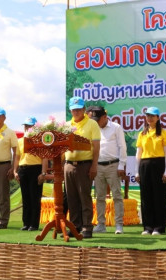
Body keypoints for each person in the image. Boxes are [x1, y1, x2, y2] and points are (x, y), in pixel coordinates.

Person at [64, 96, 101, 238]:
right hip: (68, 165)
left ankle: (87, 227)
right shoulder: (66, 125)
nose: (76, 112)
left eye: (79, 109)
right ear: (70, 111)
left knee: (84, 197)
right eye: (74, 110)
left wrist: (94, 166)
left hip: (85, 165)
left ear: (84, 109)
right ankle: (74, 227)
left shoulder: (92, 124)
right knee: (71, 198)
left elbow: (96, 147)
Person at [90, 106, 127, 234]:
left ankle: (119, 225)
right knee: (99, 197)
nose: (96, 122)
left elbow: (122, 146)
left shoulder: (116, 127)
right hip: (98, 166)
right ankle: (101, 224)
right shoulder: (94, 128)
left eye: (98, 119)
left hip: (113, 165)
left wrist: (121, 165)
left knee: (117, 196)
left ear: (105, 117)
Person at [135, 107, 166, 236]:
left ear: (158, 118)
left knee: (159, 196)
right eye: (148, 116)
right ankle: (148, 227)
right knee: (146, 197)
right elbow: (138, 153)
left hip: (159, 164)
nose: (150, 118)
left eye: (152, 116)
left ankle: (159, 227)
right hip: (145, 165)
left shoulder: (163, 133)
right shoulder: (142, 133)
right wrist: (136, 171)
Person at [14, 116, 48, 231]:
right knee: (26, 197)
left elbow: (44, 158)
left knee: (35, 197)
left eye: (30, 126)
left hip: (36, 169)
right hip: (23, 169)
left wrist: (43, 173)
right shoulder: (20, 141)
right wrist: (15, 171)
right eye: (26, 126)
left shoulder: (40, 141)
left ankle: (34, 224)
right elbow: (17, 157)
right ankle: (26, 223)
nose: (28, 128)